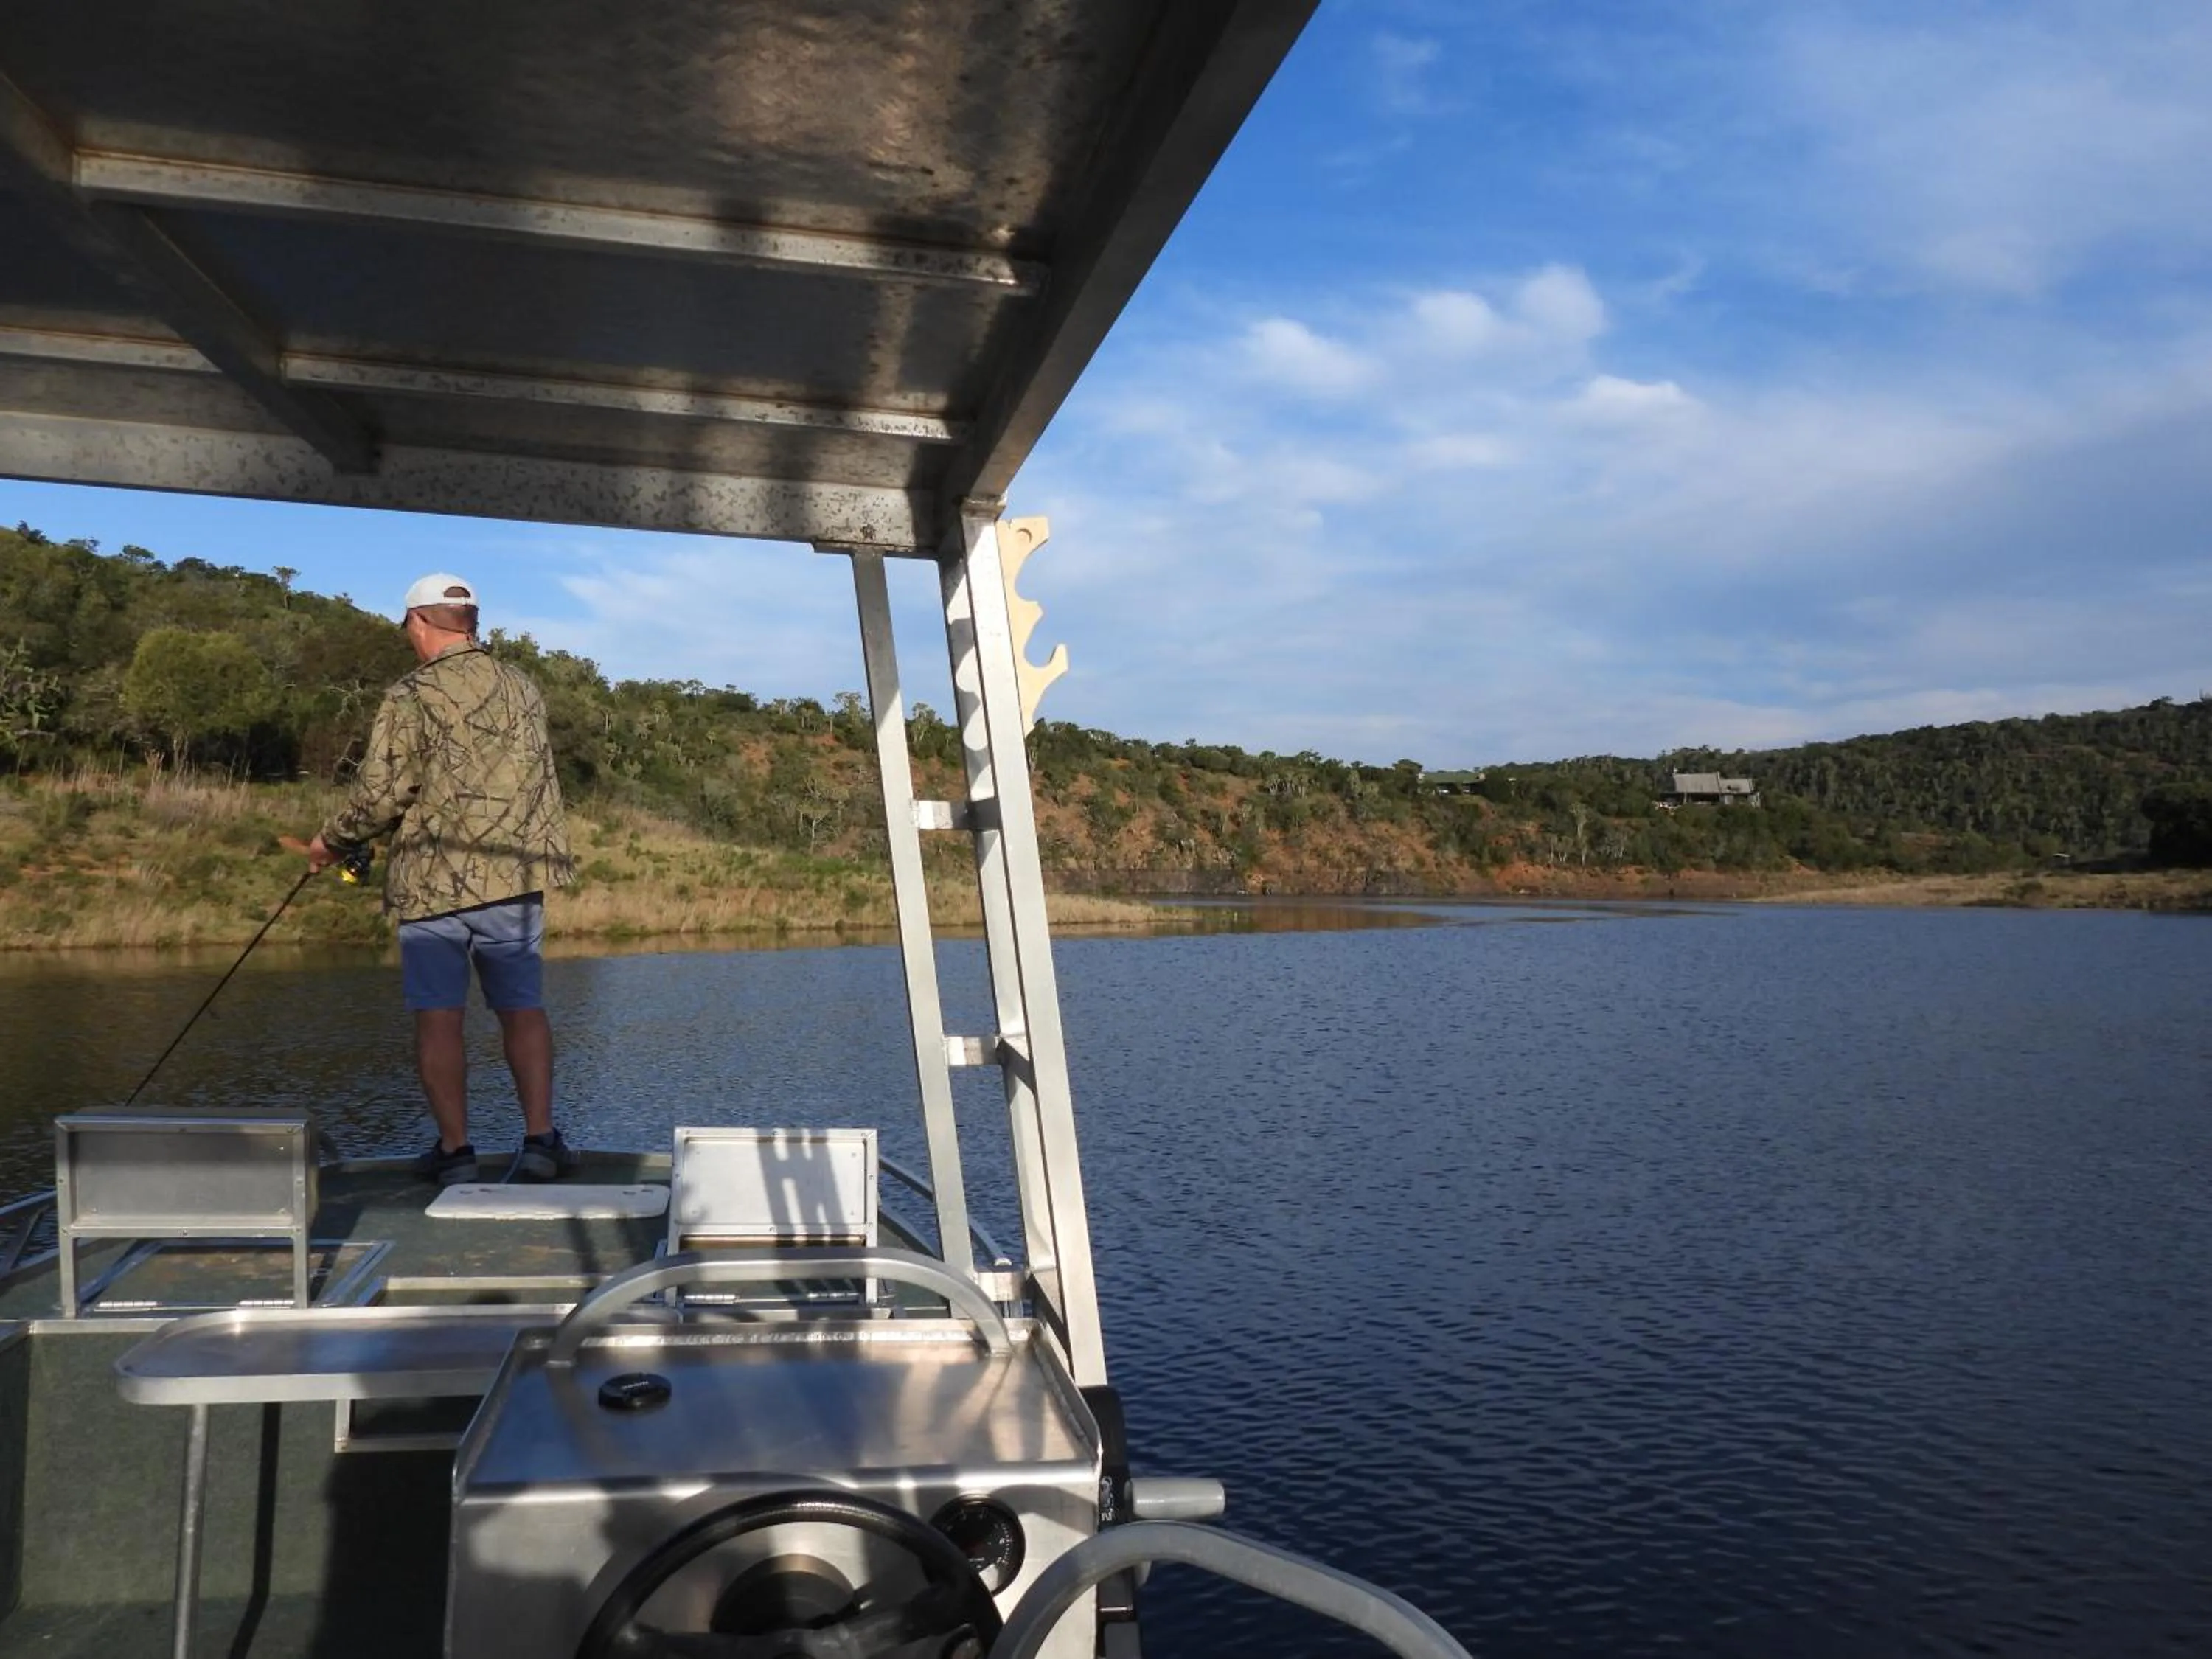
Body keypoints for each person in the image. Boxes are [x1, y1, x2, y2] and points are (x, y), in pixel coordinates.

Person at [304, 574, 579, 1184]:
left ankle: (456, 1154)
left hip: (433, 886)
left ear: (419, 622)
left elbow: (382, 795)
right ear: (471, 623)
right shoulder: (522, 686)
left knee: (439, 1017)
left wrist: (331, 842)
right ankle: (541, 1141)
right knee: (522, 1009)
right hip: (514, 879)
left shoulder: (410, 694)